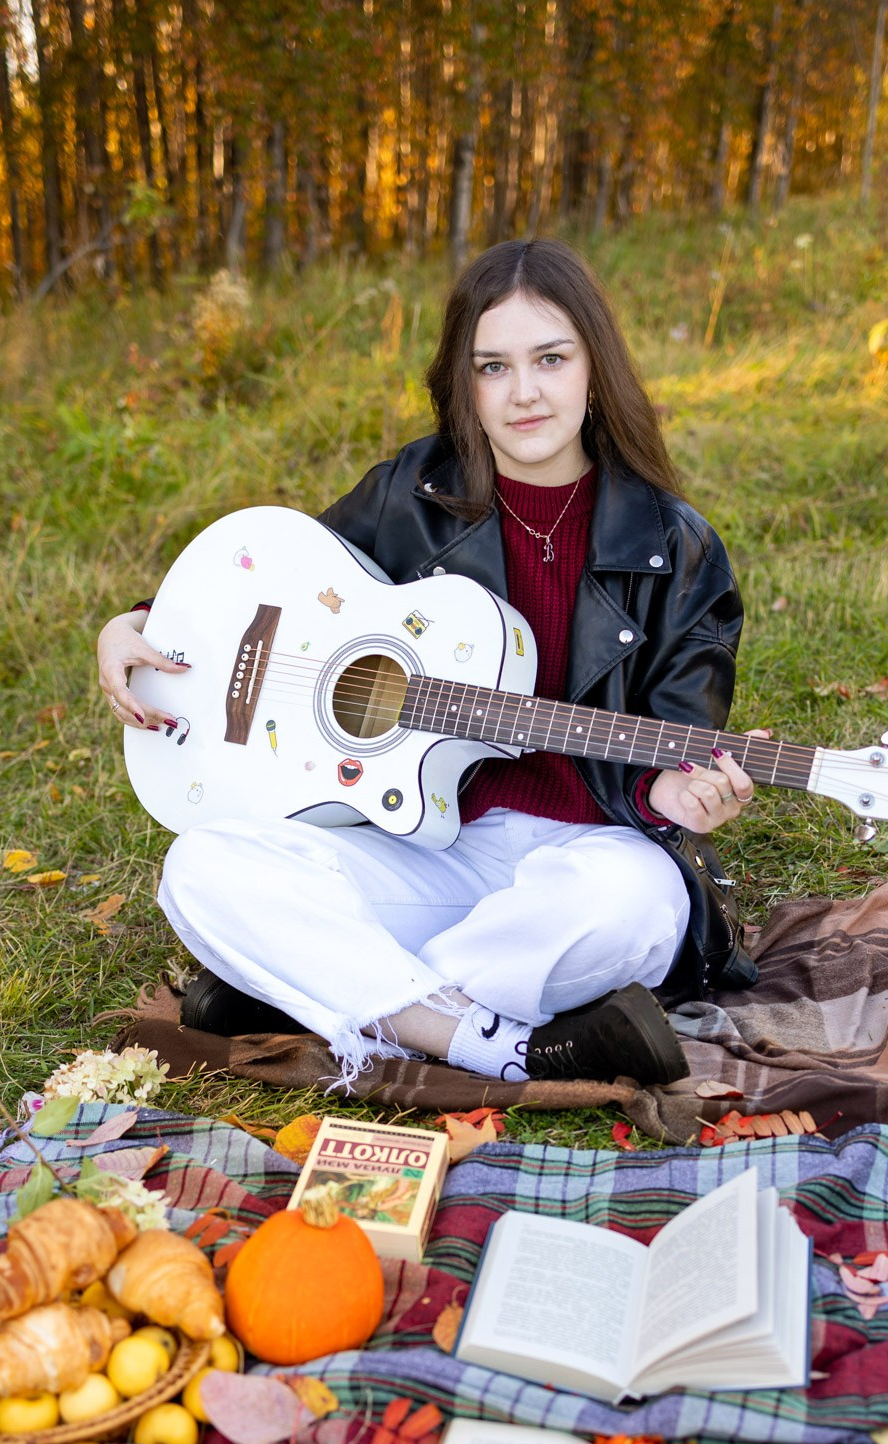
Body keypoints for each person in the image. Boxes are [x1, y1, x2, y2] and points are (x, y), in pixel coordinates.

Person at [96, 238, 760, 1089]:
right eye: (493, 366)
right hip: (424, 845)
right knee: (201, 868)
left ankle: (331, 989)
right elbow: (273, 576)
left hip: (586, 859)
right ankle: (491, 1042)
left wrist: (670, 795)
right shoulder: (415, 491)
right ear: (464, 383)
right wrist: (136, 623)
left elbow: (676, 744)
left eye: (551, 358)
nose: (524, 392)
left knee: (640, 911)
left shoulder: (678, 547)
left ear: (595, 368)